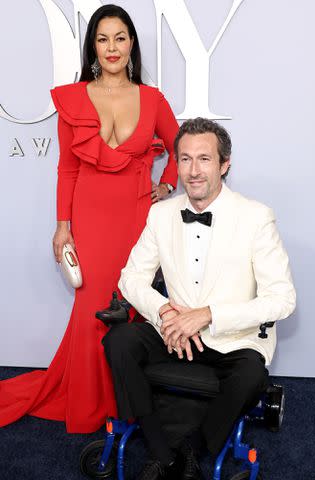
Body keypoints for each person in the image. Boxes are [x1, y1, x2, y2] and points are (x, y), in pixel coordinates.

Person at [0, 5, 178, 433]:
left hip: (136, 217)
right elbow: (67, 168)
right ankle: (86, 402)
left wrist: (166, 187)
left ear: (132, 43)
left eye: (120, 37)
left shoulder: (152, 99)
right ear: (93, 46)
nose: (112, 47)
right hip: (90, 216)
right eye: (103, 38)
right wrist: (63, 225)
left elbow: (179, 147)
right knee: (91, 310)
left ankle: (124, 401)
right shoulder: (73, 97)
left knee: (128, 307)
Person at [103, 118, 296, 479]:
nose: (193, 171)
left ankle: (194, 449)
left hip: (231, 340)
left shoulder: (255, 217)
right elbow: (130, 279)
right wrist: (163, 311)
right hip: (173, 332)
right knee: (119, 340)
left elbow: (283, 299)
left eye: (204, 159)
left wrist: (208, 315)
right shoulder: (160, 214)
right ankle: (161, 450)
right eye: (185, 159)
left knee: (252, 373)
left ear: (224, 164)